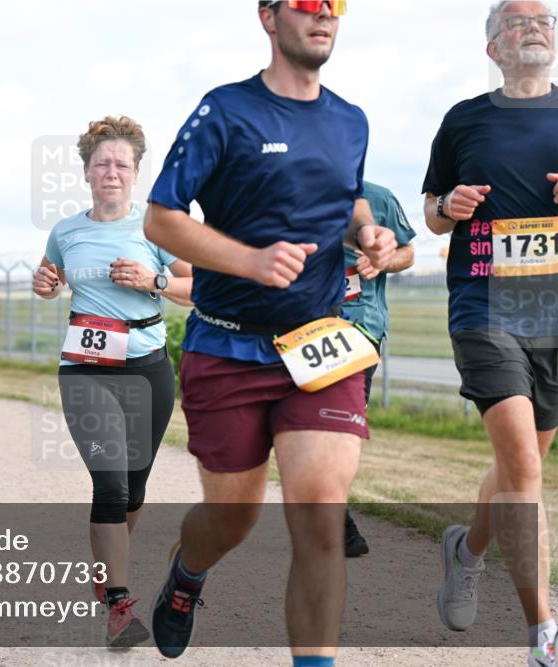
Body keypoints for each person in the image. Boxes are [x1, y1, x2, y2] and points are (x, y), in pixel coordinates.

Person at [143, 1, 397, 663]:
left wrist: (365, 230)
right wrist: (247, 259)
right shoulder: (225, 110)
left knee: (319, 515)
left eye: (336, 4)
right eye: (310, 3)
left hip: (319, 344)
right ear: (268, 16)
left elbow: (348, 198)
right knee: (232, 518)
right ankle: (187, 574)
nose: (326, 14)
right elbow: (161, 218)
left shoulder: (351, 120)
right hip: (226, 341)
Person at [421, 2, 558, 664]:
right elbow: (432, 212)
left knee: (519, 461)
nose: (533, 26)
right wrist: (449, 205)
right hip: (483, 301)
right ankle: (545, 634)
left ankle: (466, 547)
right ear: (492, 47)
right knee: (526, 468)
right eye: (517, 20)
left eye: (544, 19)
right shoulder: (463, 119)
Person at [32, 115, 193, 648]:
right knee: (111, 483)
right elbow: (49, 278)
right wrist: (45, 283)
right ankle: (120, 603)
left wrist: (156, 279)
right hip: (84, 368)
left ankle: (105, 571)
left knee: (135, 488)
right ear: (85, 171)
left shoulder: (157, 227)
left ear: (136, 172)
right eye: (102, 163)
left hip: (147, 366)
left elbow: (201, 288)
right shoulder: (66, 231)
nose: (112, 171)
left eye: (122, 163)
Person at [341, 181, 417, 558]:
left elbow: (409, 252)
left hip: (359, 328)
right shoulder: (288, 188)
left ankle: (334, 515)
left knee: (344, 426)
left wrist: (384, 259)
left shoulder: (380, 198)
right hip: (299, 328)